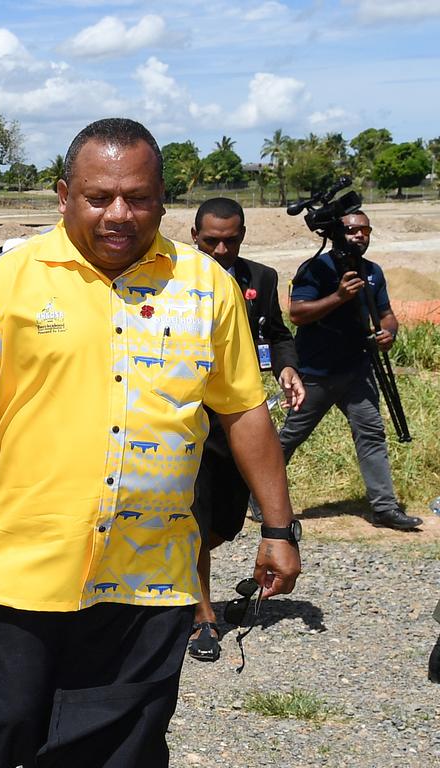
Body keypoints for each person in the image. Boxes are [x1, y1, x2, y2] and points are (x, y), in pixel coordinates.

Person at [0, 118, 302, 768]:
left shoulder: (206, 288)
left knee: (121, 746)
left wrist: (280, 528)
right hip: (31, 571)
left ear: (163, 199)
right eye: (99, 197)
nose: (120, 213)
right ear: (64, 195)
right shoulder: (5, 283)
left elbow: (244, 413)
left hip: (152, 575)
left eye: (139, 197)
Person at [186, 198, 306, 662]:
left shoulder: (261, 278)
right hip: (188, 424)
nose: (220, 249)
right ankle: (202, 617)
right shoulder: (173, 281)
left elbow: (278, 334)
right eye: (211, 240)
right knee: (193, 524)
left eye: (230, 240)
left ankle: (173, 576)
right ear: (193, 235)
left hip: (237, 424)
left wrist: (287, 370)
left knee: (226, 523)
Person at [279, 210, 422, 531]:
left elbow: (386, 314)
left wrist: (389, 333)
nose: (359, 235)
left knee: (371, 433)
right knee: (289, 437)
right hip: (314, 372)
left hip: (357, 370)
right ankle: (258, 498)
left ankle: (384, 508)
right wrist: (339, 296)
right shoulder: (316, 268)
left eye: (365, 230)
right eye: (352, 230)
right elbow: (298, 314)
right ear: (336, 233)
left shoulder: (373, 272)